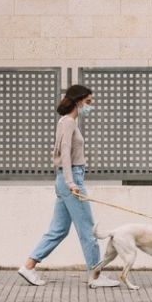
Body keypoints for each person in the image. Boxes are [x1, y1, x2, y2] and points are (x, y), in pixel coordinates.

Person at [18, 84, 119, 288]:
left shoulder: (68, 121)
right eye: (89, 102)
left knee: (58, 230)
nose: (91, 106)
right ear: (78, 101)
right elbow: (64, 153)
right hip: (72, 179)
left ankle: (28, 267)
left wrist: (67, 181)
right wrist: (71, 182)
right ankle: (96, 277)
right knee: (89, 231)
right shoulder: (69, 122)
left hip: (67, 180)